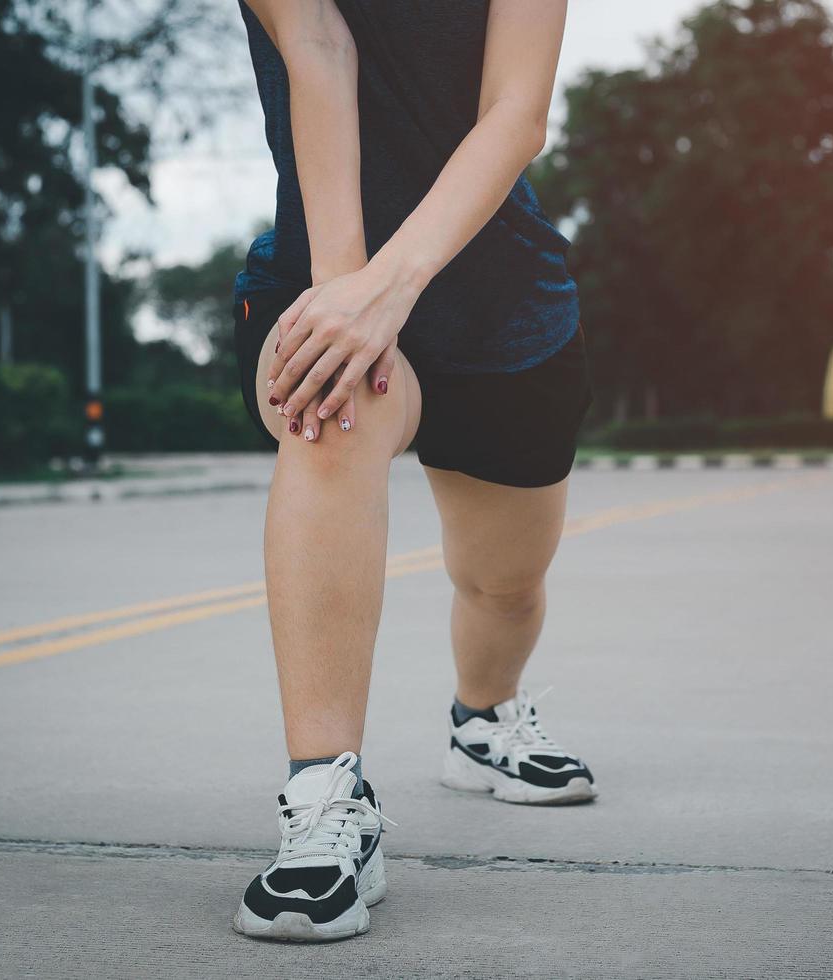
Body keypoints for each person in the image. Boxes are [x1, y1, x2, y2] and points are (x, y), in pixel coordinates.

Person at [227, 0, 596, 942]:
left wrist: (390, 287)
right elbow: (317, 44)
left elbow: (518, 112)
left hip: (498, 290)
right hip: (327, 260)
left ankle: (484, 720)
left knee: (504, 584)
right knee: (331, 421)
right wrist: (346, 294)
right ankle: (325, 806)